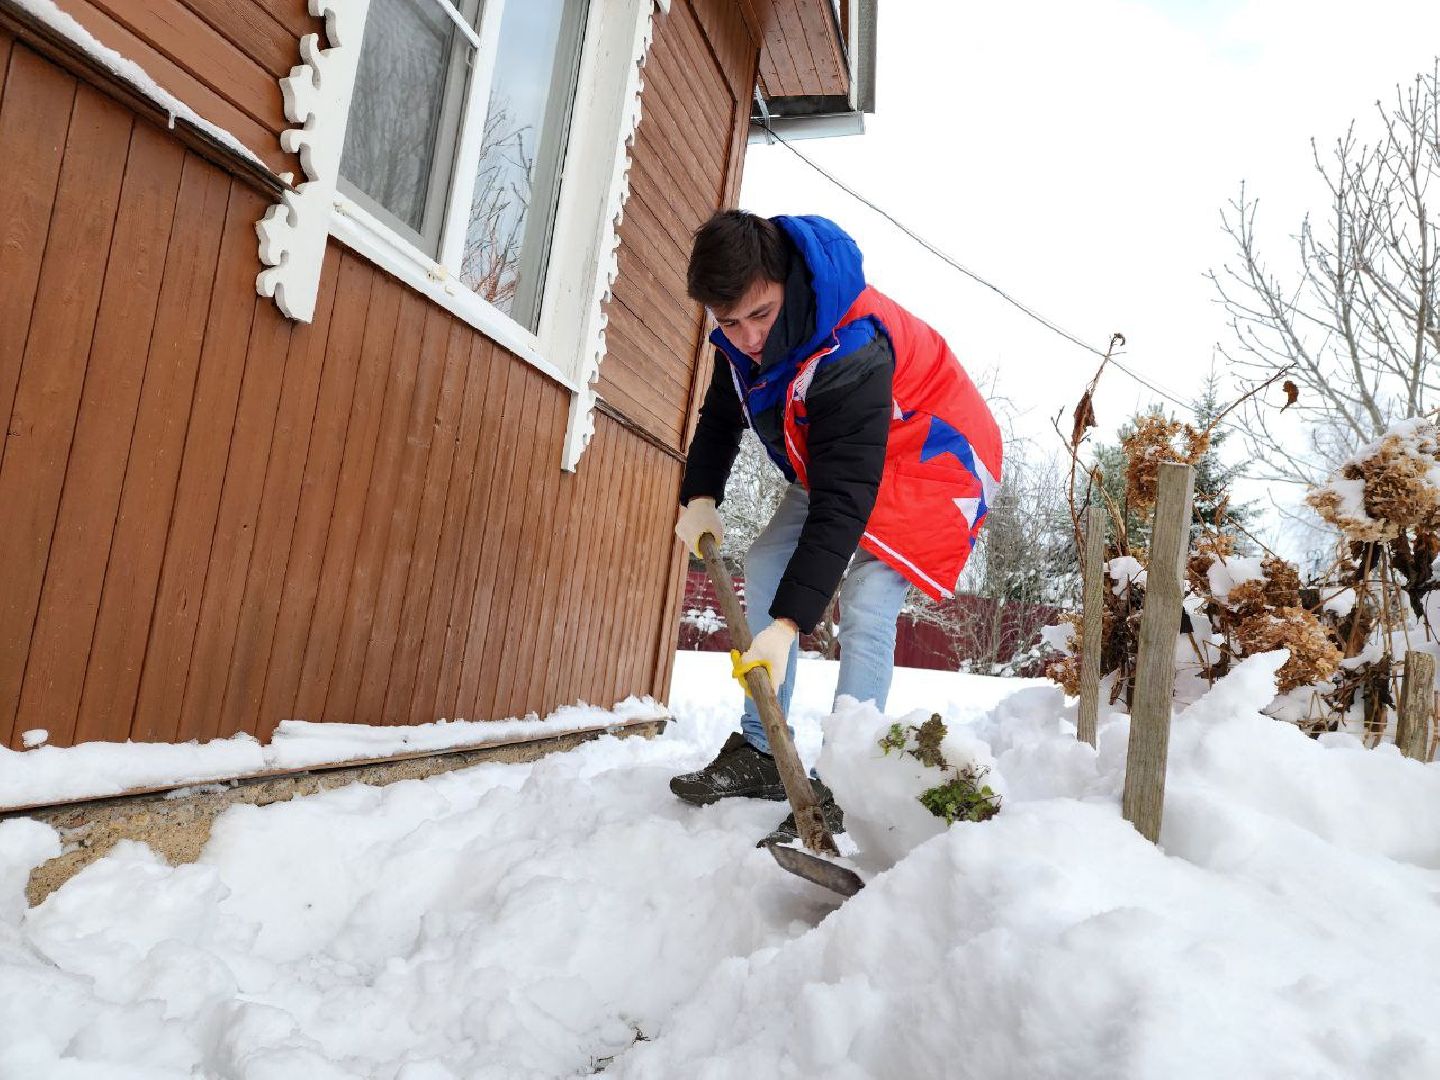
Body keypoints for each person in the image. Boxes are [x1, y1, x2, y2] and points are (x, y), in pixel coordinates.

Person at [669, 210, 1003, 846]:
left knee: (868, 603)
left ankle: (849, 779)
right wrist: (701, 495)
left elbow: (843, 501)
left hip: (938, 456)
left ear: (787, 284)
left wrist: (790, 623)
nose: (746, 338)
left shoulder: (853, 345)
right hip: (852, 447)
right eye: (728, 322)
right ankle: (762, 750)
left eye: (761, 315)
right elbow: (722, 413)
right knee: (768, 562)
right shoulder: (744, 334)